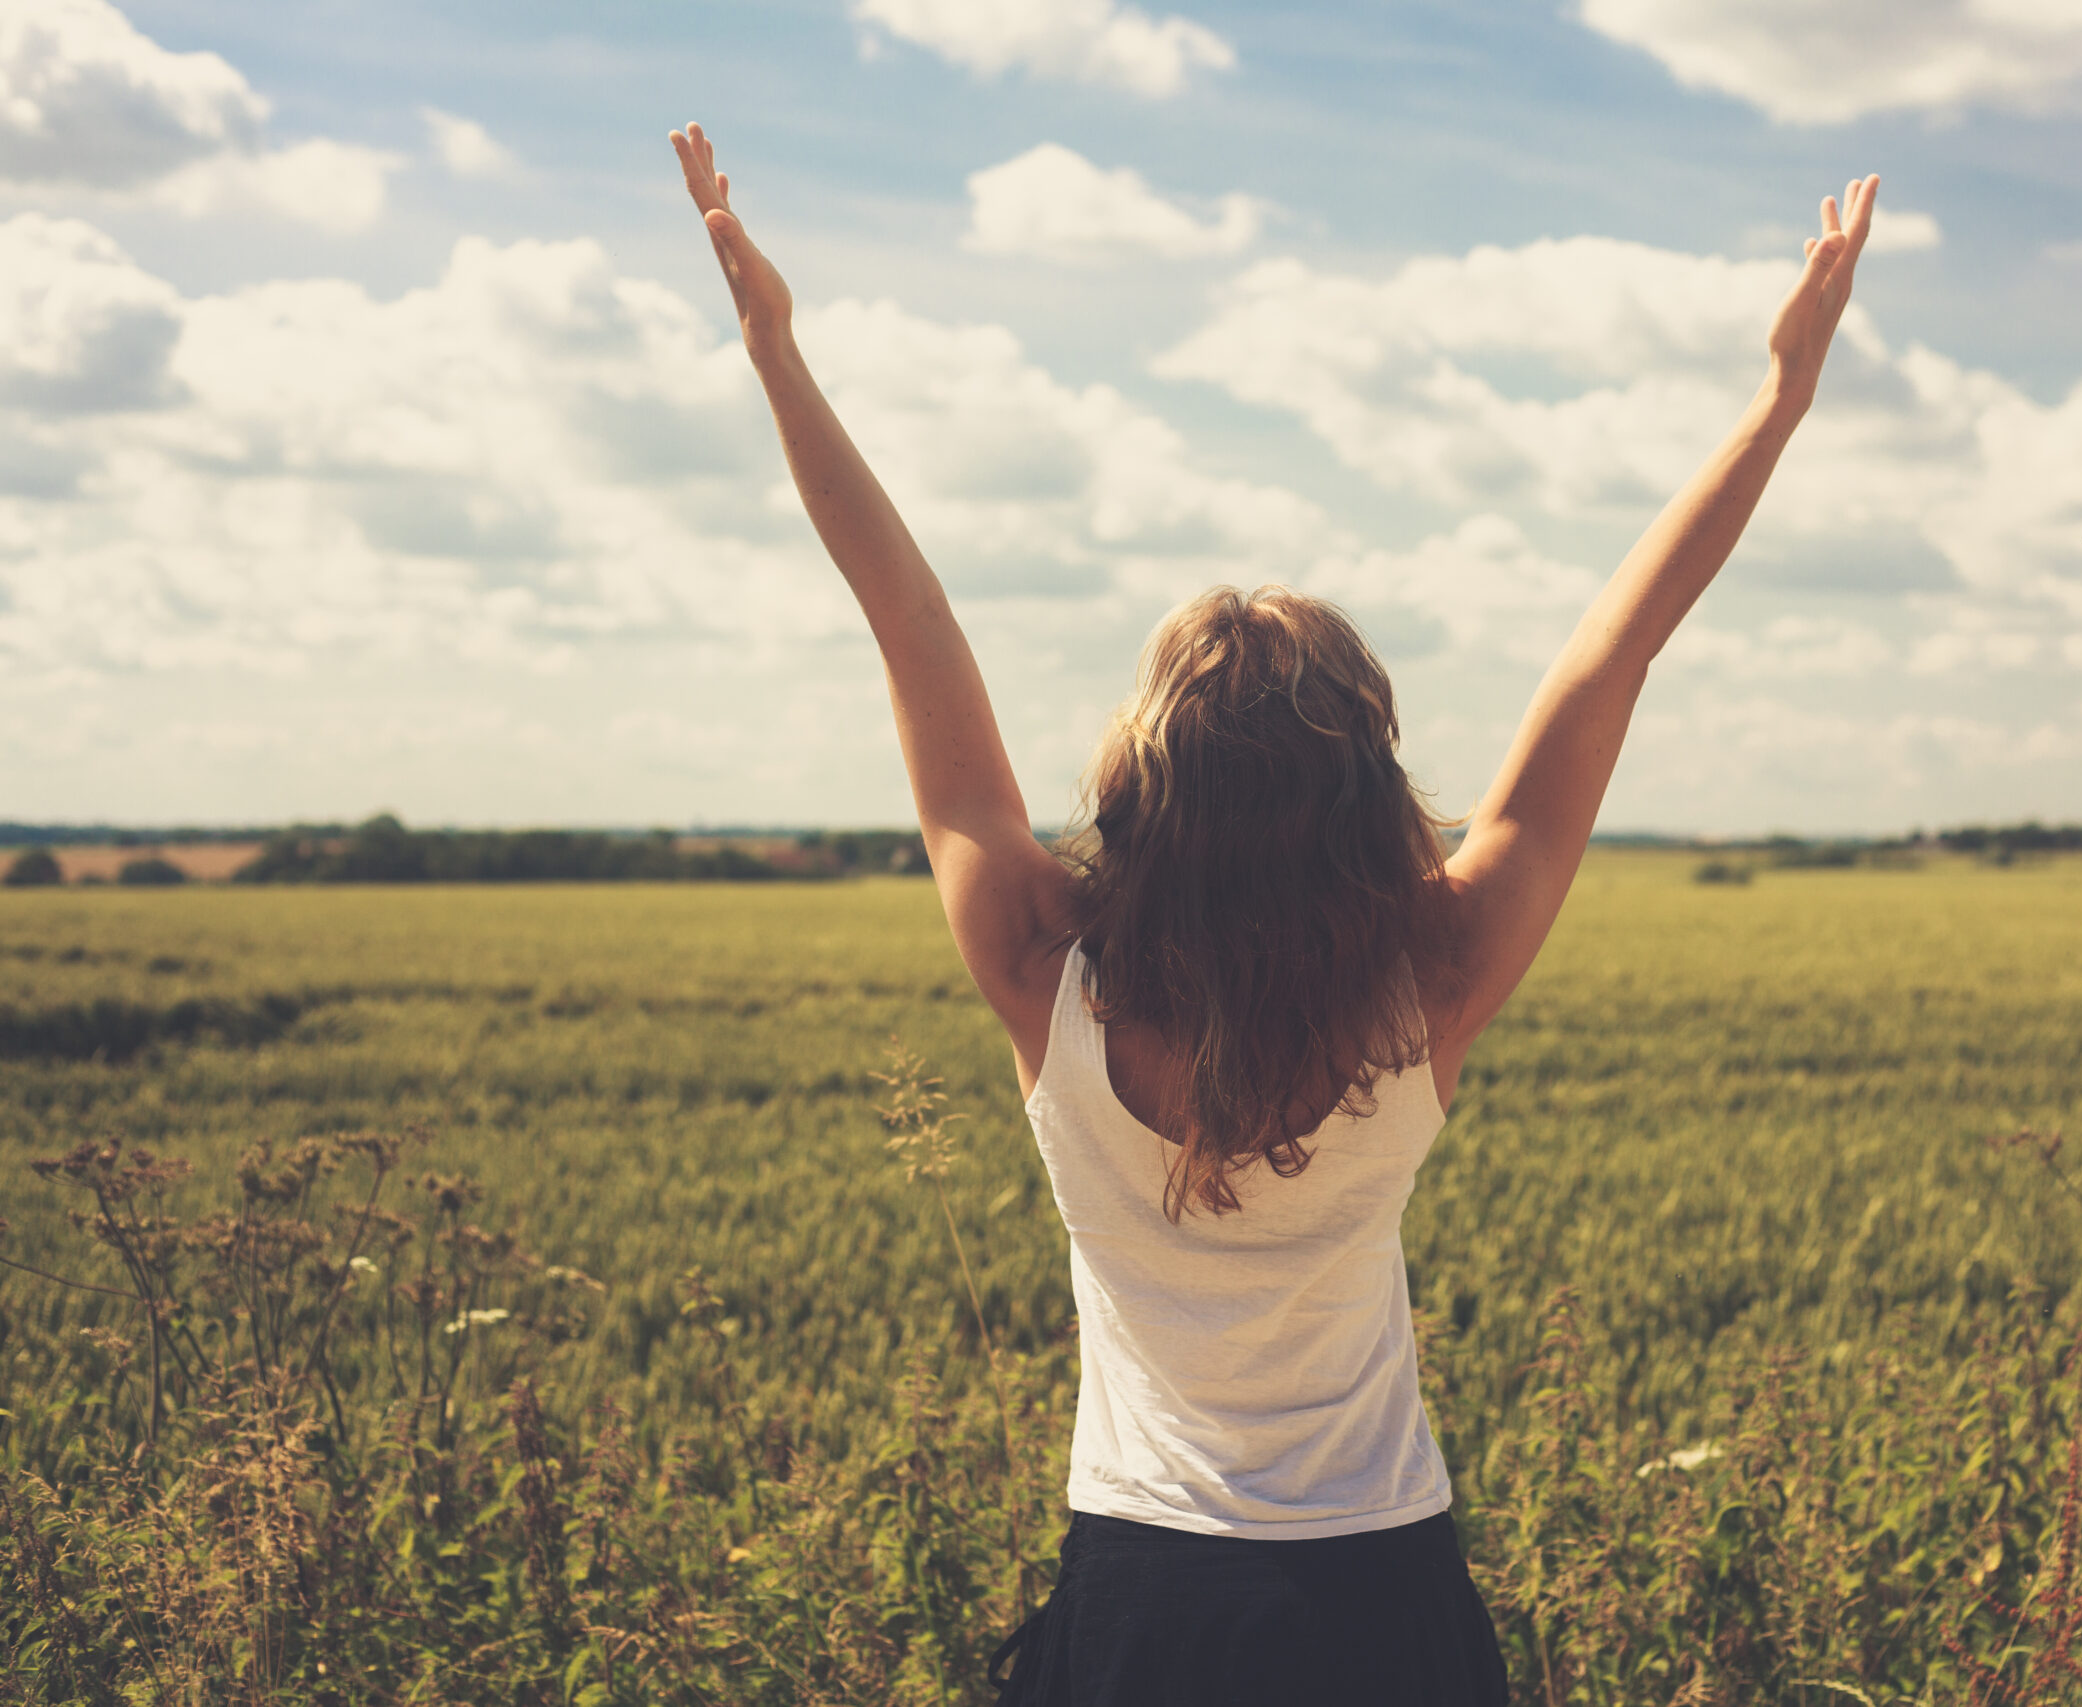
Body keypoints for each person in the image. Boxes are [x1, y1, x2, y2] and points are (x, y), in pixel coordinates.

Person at [671, 121, 1877, 1707]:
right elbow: (1613, 653)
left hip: (1142, 1592)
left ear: (1143, 779)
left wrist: (776, 353)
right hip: (1381, 1594)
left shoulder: (1049, 972)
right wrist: (1779, 397)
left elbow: (907, 619)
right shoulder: (1431, 977)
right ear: (1362, 784)